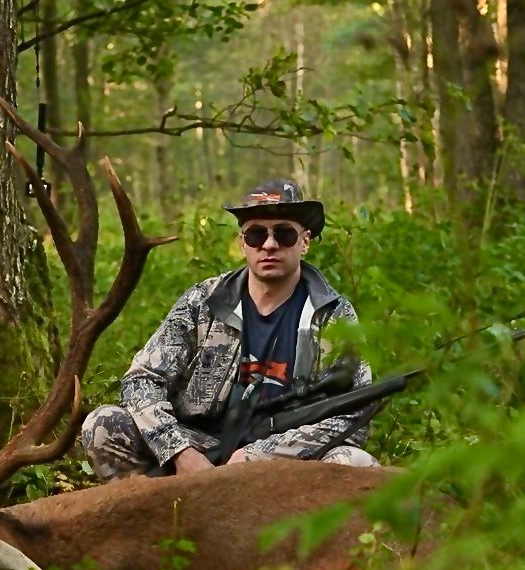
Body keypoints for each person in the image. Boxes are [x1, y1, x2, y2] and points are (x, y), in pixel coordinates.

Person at [80, 179, 380, 482]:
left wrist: (260, 455)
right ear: (242, 242)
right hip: (200, 450)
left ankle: (296, 529)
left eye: (285, 234)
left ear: (305, 242)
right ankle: (154, 523)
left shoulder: (334, 315)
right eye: (256, 234)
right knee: (103, 424)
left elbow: (354, 413)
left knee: (353, 463)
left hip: (287, 464)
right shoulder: (204, 301)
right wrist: (180, 451)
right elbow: (142, 380)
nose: (269, 244)